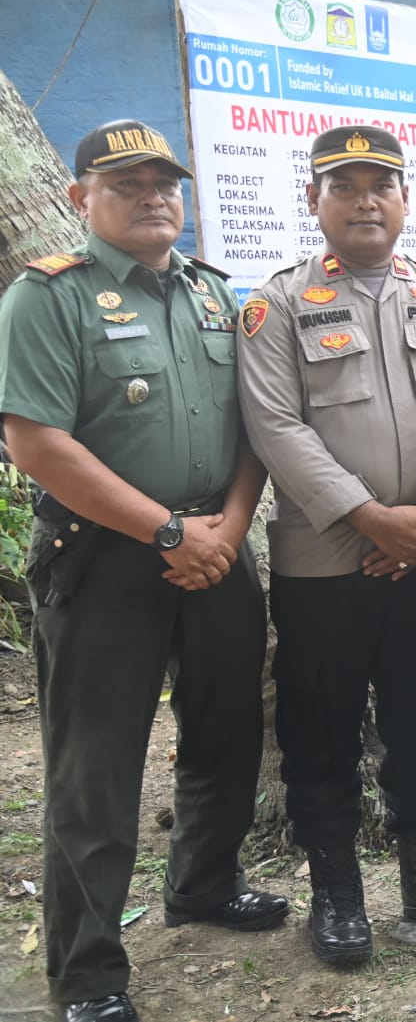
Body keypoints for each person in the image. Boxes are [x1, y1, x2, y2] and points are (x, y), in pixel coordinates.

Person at [0, 120, 287, 1022]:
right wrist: (168, 534)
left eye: (165, 183)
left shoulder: (214, 293)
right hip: (104, 560)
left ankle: (204, 883)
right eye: (127, 184)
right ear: (80, 197)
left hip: (218, 545)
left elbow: (254, 425)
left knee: (227, 731)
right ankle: (87, 972)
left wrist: (228, 528)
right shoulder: (48, 297)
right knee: (96, 768)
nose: (153, 198)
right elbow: (36, 443)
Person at [235, 125, 416, 965]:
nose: (364, 201)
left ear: (405, 199)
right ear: (313, 200)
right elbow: (274, 425)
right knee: (322, 732)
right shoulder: (277, 303)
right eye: (343, 186)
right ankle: (337, 893)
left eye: (380, 185)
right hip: (324, 567)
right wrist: (369, 517)